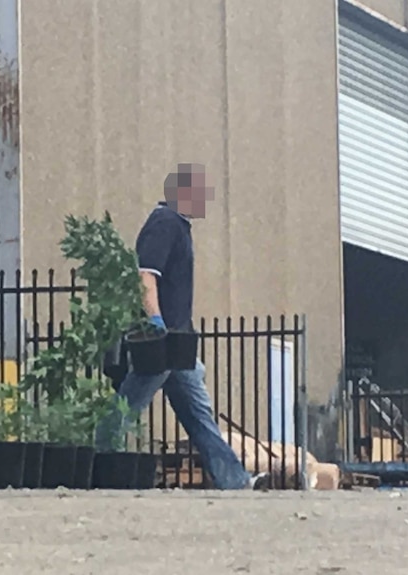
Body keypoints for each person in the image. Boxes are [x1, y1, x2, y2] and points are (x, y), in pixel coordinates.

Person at [94, 163, 268, 490]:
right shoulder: (165, 224)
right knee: (127, 406)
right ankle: (97, 457)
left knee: (199, 415)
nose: (205, 200)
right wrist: (155, 321)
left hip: (177, 341)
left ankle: (234, 479)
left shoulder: (176, 226)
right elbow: (146, 275)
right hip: (163, 340)